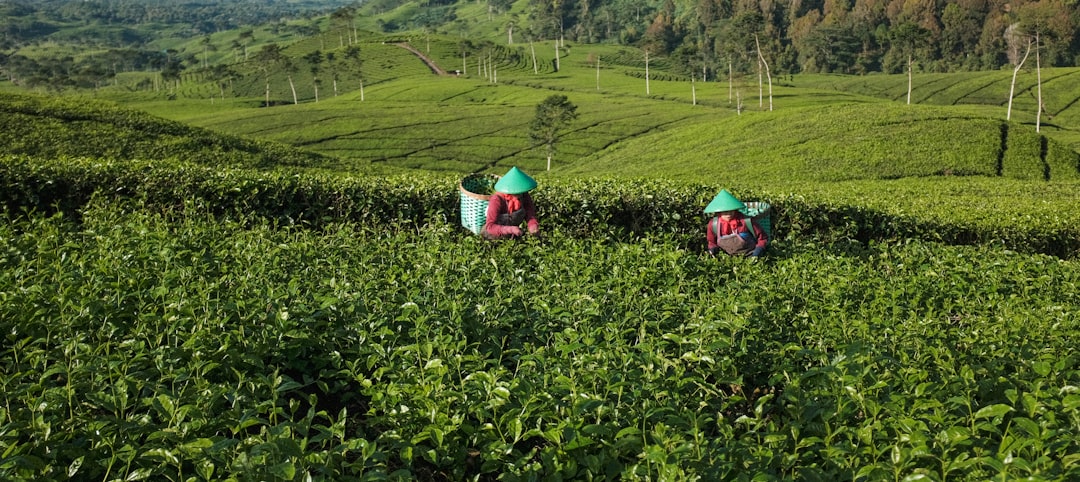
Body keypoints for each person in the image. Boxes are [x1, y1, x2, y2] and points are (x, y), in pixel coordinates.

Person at [704, 189, 767, 257]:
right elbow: (711, 242)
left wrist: (757, 252)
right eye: (725, 212)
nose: (728, 214)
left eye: (731, 211)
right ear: (719, 212)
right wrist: (713, 249)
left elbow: (763, 238)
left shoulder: (746, 221)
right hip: (728, 258)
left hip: (751, 255)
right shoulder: (713, 224)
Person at [482, 166, 540, 240]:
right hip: (493, 236)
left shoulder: (524, 195)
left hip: (513, 234)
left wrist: (533, 225)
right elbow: (490, 227)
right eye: (517, 193)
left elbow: (530, 212)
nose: (519, 195)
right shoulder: (497, 200)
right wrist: (510, 229)